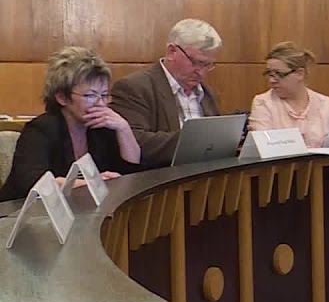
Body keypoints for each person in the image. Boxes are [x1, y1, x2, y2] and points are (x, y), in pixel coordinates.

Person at [0, 47, 140, 201]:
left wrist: (123, 128)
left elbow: (130, 172)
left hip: (78, 210)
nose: (100, 103)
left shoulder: (100, 127)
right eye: (90, 95)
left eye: (104, 95)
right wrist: (91, 184)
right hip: (21, 211)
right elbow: (34, 181)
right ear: (62, 98)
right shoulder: (40, 129)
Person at [112, 18, 222, 168]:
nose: (201, 72)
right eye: (196, 62)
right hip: (160, 178)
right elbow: (135, 142)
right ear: (172, 51)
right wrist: (196, 140)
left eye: (208, 65)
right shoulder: (134, 88)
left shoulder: (207, 93)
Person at [247, 43, 329, 148]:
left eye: (279, 74)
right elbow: (265, 146)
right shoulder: (262, 103)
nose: (272, 80)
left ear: (300, 74)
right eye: (269, 74)